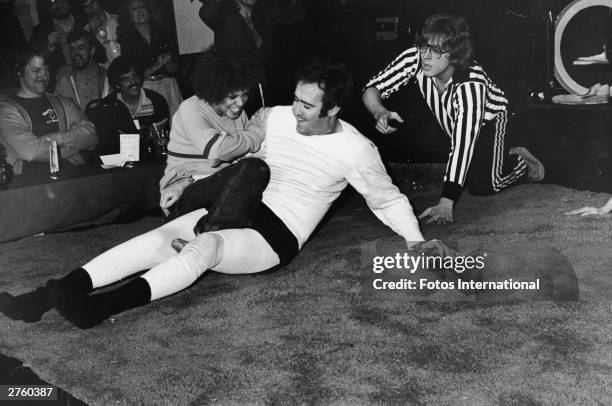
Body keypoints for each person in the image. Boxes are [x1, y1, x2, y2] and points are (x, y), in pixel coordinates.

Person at [0, 61, 426, 329]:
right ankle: (46, 296)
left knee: (206, 245)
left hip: (277, 234)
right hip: (238, 201)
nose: (294, 110)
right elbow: (237, 158)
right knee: (157, 239)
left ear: (332, 109)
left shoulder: (356, 148)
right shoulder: (276, 117)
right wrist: (188, 179)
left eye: (307, 106)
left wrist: (417, 241)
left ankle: (99, 309)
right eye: (295, 99)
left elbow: (385, 199)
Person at [362, 14, 545, 225]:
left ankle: (521, 161)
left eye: (437, 50)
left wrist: (446, 202)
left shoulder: (472, 84)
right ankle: (500, 157)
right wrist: (379, 111)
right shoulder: (417, 57)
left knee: (484, 185)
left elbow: (463, 144)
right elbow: (373, 87)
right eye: (424, 47)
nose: (426, 57)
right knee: (469, 173)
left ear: (455, 53)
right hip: (458, 123)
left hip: (495, 121)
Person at [159, 50, 265, 216]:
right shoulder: (191, 108)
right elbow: (216, 152)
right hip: (184, 192)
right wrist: (255, 135)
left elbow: (241, 154)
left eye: (245, 94)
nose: (240, 103)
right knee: (253, 169)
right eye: (233, 96)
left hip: (221, 186)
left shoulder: (238, 113)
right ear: (214, 90)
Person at [0, 45, 98, 175]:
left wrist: (58, 139)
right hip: (31, 185)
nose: (44, 75)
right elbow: (30, 151)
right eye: (36, 70)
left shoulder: (62, 102)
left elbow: (92, 136)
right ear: (20, 72)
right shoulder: (6, 110)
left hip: (72, 176)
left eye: (46, 70)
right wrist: (71, 147)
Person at [85, 55, 168, 156]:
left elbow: (161, 136)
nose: (133, 82)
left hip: (152, 157)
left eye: (135, 76)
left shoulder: (156, 101)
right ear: (117, 84)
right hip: (121, 161)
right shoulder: (108, 107)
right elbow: (108, 145)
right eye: (126, 79)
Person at [31, 0, 87, 89]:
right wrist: (47, 47)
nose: (58, 4)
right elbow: (33, 64)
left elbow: (101, 56)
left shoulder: (84, 21)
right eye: (53, 1)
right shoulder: (40, 32)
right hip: (62, 87)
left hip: (90, 80)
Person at [54, 29, 110, 110]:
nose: (76, 53)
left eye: (81, 48)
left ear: (92, 50)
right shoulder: (64, 76)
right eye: (72, 49)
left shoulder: (106, 78)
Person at [80, 0, 121, 68]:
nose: (91, 8)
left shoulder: (118, 19)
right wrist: (93, 35)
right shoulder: (85, 32)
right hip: (108, 73)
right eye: (86, 6)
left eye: (92, 2)